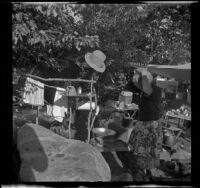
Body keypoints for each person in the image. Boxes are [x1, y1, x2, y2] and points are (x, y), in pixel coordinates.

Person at [117, 68, 163, 181]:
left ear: (146, 80)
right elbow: (128, 87)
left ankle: (146, 173)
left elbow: (146, 88)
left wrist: (142, 73)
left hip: (151, 125)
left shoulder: (156, 90)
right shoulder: (143, 90)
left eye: (139, 81)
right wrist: (134, 77)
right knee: (139, 150)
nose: (138, 84)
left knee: (147, 151)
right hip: (143, 123)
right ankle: (143, 172)